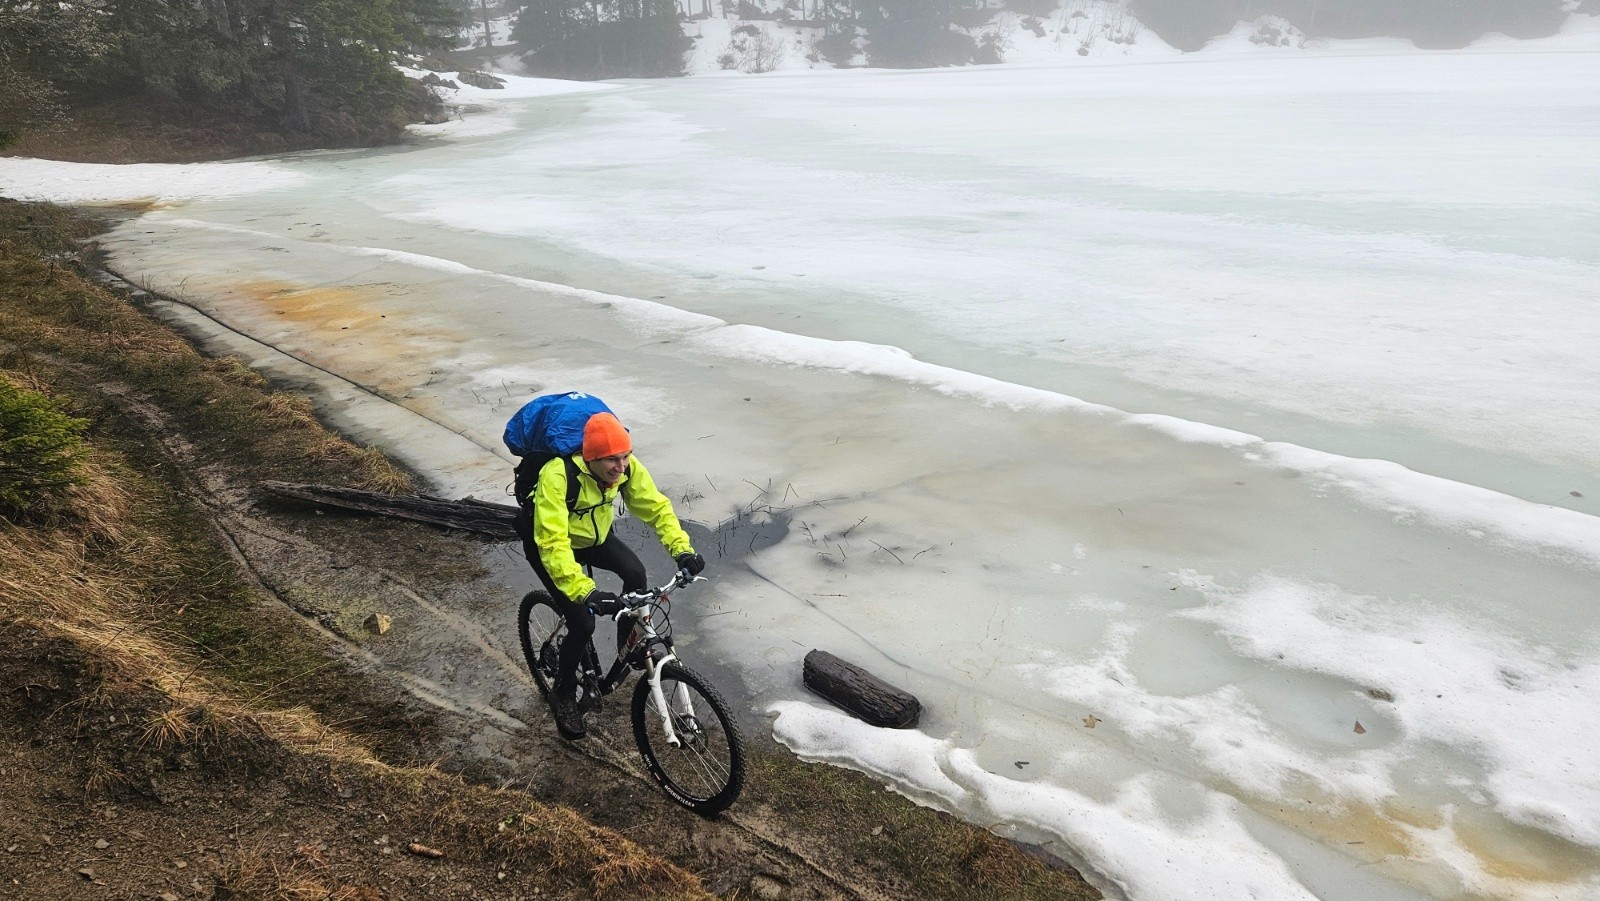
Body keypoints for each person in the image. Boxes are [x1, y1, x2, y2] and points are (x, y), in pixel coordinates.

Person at [518, 411, 704, 739]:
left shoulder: (626, 467)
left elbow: (656, 508)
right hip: (551, 546)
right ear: (590, 458)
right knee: (582, 622)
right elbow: (552, 542)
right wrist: (586, 592)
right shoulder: (557, 475)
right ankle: (563, 693)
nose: (621, 467)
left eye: (625, 456)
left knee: (635, 572)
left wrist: (682, 551)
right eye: (612, 460)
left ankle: (626, 645)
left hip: (594, 539)